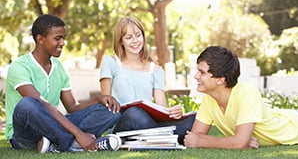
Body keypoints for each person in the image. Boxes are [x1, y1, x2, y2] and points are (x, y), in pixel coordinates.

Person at [5, 14, 122, 153]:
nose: (63, 43)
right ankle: (74, 144)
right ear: (40, 39)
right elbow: (43, 104)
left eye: (63, 38)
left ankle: (55, 145)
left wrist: (98, 100)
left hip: (52, 128)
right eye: (57, 38)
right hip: (25, 135)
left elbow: (72, 107)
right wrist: (79, 134)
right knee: (27, 104)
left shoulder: (60, 68)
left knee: (110, 112)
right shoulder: (19, 66)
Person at [99, 16, 195, 145]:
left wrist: (174, 112)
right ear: (120, 41)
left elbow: (162, 107)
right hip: (122, 122)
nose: (135, 41)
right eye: (128, 37)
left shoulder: (156, 69)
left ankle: (158, 138)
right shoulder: (110, 62)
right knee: (135, 113)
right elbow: (106, 101)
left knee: (194, 119)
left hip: (147, 123)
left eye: (138, 35)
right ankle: (166, 138)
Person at [184, 45, 298, 149]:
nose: (196, 76)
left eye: (202, 72)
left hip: (295, 127)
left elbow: (238, 143)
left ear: (220, 80)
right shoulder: (209, 98)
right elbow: (194, 136)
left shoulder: (247, 93)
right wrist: (237, 141)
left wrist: (238, 141)